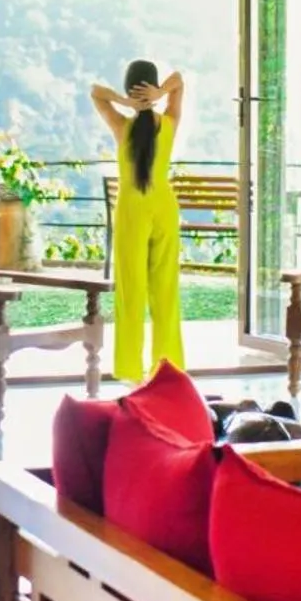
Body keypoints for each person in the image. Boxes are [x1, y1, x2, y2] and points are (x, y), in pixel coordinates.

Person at [91, 60, 185, 382]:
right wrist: (161, 93)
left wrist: (124, 101)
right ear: (153, 88)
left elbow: (96, 93)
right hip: (164, 207)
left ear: (131, 87)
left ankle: (131, 371)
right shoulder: (169, 123)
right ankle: (167, 370)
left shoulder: (121, 126)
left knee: (131, 293)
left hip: (132, 208)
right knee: (165, 291)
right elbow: (180, 81)